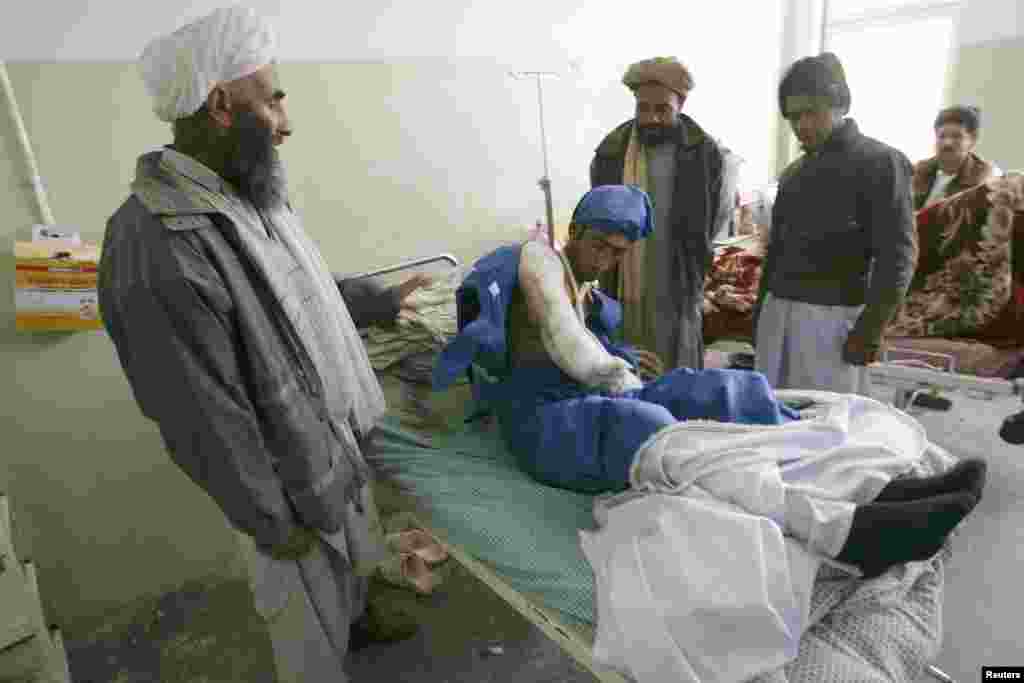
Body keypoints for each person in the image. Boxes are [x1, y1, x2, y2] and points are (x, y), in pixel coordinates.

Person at [98, 7, 422, 681]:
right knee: (307, 635)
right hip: (287, 493)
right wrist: (275, 522)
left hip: (329, 444)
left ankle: (359, 619)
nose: (285, 119)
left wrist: (384, 300)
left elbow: (298, 297)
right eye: (272, 98)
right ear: (221, 104)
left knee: (351, 573)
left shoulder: (247, 195)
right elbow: (196, 415)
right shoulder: (156, 242)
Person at [433, 185, 985, 579]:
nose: (605, 262)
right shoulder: (529, 267)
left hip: (591, 393)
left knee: (718, 389)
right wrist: (610, 366)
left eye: (618, 254)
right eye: (598, 246)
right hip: (541, 423)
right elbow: (563, 347)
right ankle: (847, 530)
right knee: (649, 427)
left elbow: (595, 352)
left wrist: (625, 355)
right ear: (572, 231)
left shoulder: (589, 293)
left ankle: (870, 486)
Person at [754, 52, 917, 393]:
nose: (802, 126)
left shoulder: (881, 162)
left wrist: (871, 328)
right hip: (777, 314)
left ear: (840, 104)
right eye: (793, 117)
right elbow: (775, 253)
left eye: (811, 113)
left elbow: (898, 255)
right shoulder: (793, 174)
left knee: (829, 428)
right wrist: (760, 318)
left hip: (833, 320)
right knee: (774, 421)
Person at [590, 56, 724, 371]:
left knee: (679, 365)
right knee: (629, 365)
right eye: (643, 108)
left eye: (662, 109)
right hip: (623, 278)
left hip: (677, 278)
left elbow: (715, 220)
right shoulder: (611, 152)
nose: (650, 118)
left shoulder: (704, 153)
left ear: (681, 104)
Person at [913, 105, 1000, 210]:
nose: (947, 143)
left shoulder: (985, 178)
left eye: (956, 137)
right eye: (942, 136)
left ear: (972, 140)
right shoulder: (918, 170)